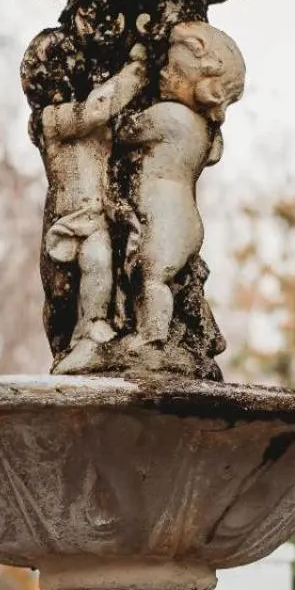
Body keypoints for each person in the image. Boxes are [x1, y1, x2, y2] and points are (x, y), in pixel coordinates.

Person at [118, 21, 245, 352]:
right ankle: (209, 335)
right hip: (185, 219)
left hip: (166, 217)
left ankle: (152, 336)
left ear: (206, 87)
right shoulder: (206, 133)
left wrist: (130, 82)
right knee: (178, 280)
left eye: (173, 69)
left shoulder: (171, 116)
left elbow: (126, 131)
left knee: (153, 277)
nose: (163, 74)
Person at [32, 39, 149, 373]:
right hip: (68, 218)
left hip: (97, 214)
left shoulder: (92, 122)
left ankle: (95, 328)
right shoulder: (52, 118)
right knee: (60, 295)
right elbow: (97, 108)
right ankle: (68, 342)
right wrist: (136, 69)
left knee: (98, 262)